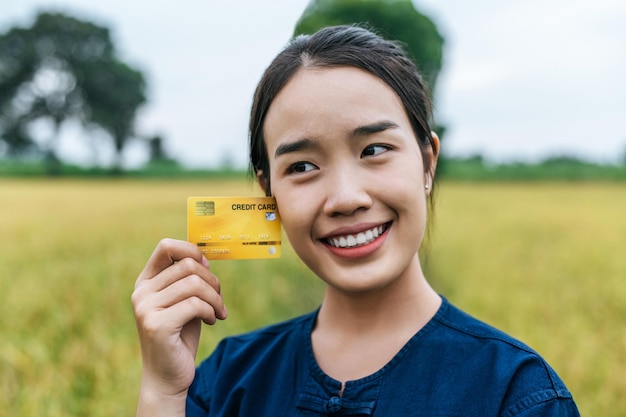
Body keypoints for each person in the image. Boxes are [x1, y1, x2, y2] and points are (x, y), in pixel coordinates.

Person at [132, 25, 580, 416]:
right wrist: (162, 392)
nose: (345, 199)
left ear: (427, 163)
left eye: (374, 150)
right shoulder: (223, 383)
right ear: (269, 195)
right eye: (303, 167)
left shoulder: (519, 395)